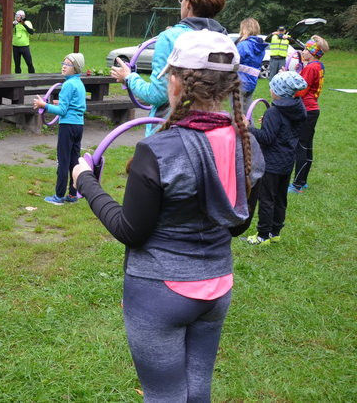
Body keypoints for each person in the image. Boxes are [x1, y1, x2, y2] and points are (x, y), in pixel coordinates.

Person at [72, 30, 264, 401]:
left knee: (164, 396)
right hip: (217, 289)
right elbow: (239, 224)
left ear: (175, 82)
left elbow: (131, 230)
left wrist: (86, 182)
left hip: (159, 294)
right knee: (197, 391)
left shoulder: (157, 149)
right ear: (228, 86)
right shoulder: (247, 142)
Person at [111, 0, 228, 136]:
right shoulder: (224, 40)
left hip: (170, 130)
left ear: (188, 3)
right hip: (210, 129)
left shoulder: (170, 38)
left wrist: (129, 78)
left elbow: (157, 95)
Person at [246, 71, 308, 245]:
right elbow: (283, 129)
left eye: (272, 87)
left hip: (272, 163)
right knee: (280, 198)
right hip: (287, 161)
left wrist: (248, 128)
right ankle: (275, 232)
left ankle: (262, 235)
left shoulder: (275, 112)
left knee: (266, 199)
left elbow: (266, 138)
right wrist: (269, 122)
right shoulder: (297, 108)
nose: (270, 90)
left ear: (278, 91)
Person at [33, 53, 87, 205]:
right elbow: (79, 106)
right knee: (74, 161)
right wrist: (60, 103)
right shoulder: (79, 83)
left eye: (68, 64)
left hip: (67, 126)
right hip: (78, 126)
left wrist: (45, 106)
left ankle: (58, 196)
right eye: (63, 63)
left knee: (63, 161)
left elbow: (63, 111)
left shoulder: (68, 85)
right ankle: (72, 194)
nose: (64, 66)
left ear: (75, 68)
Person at [289, 35, 329, 194]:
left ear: (313, 52)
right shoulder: (318, 65)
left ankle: (297, 185)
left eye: (306, 49)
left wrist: (288, 86)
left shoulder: (310, 68)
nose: (303, 51)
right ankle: (302, 181)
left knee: (301, 147)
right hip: (313, 110)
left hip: (306, 109)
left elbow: (301, 90)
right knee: (307, 146)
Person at [235, 17, 268, 108]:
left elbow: (234, 62)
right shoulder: (259, 46)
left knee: (237, 114)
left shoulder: (242, 45)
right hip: (252, 82)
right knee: (247, 112)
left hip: (239, 81)